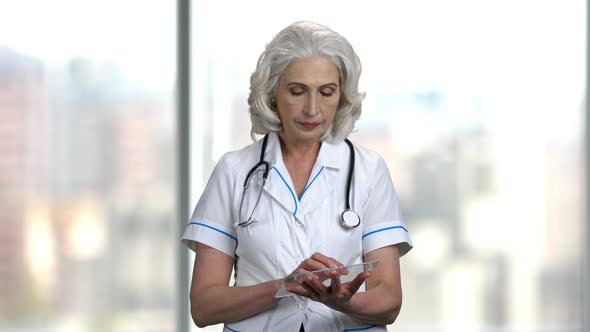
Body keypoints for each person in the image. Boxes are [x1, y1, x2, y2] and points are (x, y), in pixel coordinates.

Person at [182, 21, 413, 332]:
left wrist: (341, 301)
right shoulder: (234, 171)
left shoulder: (368, 170)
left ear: (341, 97)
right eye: (297, 91)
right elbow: (204, 306)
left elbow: (389, 301)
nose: (312, 108)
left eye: (327, 92)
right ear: (272, 93)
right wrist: (285, 286)